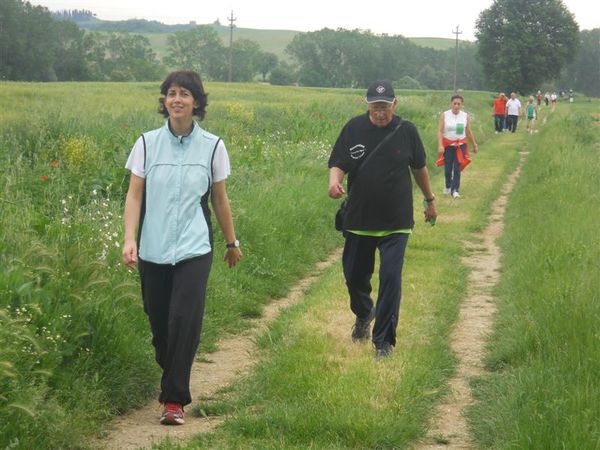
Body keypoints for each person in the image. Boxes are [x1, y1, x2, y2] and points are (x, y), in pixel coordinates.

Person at [122, 70, 242, 426]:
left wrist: (231, 242)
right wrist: (130, 238)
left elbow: (220, 199)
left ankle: (174, 399)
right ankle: (170, 369)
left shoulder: (213, 146)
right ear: (164, 101)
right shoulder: (145, 143)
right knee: (160, 326)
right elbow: (134, 193)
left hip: (194, 247)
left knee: (183, 320)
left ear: (197, 103)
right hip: (153, 249)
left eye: (185, 94)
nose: (176, 99)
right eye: (171, 93)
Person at [327, 80, 437, 359]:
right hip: (359, 220)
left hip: (396, 222)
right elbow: (338, 162)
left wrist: (430, 200)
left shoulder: (407, 131)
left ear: (394, 104)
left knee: (391, 278)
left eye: (385, 107)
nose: (380, 113)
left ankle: (383, 342)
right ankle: (364, 313)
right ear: (367, 106)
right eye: (375, 107)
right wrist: (334, 182)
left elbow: (419, 168)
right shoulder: (353, 129)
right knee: (354, 277)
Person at [437, 94, 478, 199]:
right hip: (448, 145)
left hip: (460, 146)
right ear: (451, 103)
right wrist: (440, 144)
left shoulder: (465, 116)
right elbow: (440, 131)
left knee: (457, 168)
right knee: (448, 169)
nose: (456, 106)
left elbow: (468, 132)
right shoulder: (444, 115)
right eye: (454, 103)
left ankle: (455, 190)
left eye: (458, 104)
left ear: (461, 105)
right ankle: (448, 185)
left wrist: (474, 144)